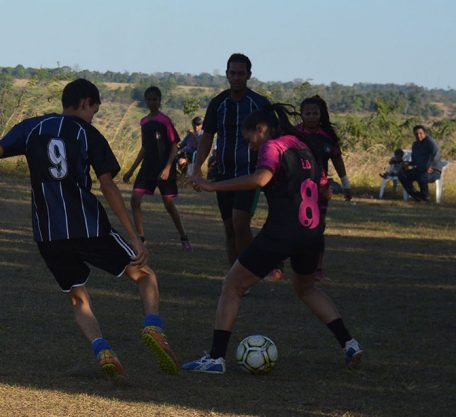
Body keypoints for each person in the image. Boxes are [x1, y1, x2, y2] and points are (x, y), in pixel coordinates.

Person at [0, 79, 179, 378]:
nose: (93, 117)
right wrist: (134, 237)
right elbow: (108, 186)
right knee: (144, 274)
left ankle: (102, 350)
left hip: (48, 235)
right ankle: (153, 327)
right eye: (94, 111)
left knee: (77, 297)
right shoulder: (87, 133)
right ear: (85, 103)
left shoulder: (32, 127)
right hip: (88, 227)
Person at [182, 104, 363, 374]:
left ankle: (215, 359)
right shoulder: (303, 146)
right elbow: (325, 191)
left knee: (232, 285)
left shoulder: (273, 146)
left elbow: (260, 179)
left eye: (250, 140)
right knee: (306, 288)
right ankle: (349, 343)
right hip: (312, 232)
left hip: (283, 232)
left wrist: (212, 185)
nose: (251, 147)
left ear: (261, 129)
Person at [192, 53, 271, 268]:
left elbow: (273, 138)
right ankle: (234, 275)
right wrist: (197, 168)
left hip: (250, 174)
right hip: (223, 174)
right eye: (233, 73)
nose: (236, 77)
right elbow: (207, 137)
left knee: (240, 223)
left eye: (241, 73)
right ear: (227, 74)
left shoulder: (260, 103)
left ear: (249, 75)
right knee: (229, 228)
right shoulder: (218, 103)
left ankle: (248, 271)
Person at [122, 86, 192, 251]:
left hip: (163, 166)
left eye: (155, 99)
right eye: (149, 99)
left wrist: (167, 168)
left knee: (168, 204)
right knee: (135, 200)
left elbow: (174, 146)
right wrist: (131, 170)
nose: (152, 102)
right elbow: (144, 148)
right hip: (148, 166)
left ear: (160, 101)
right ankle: (141, 238)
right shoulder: (144, 122)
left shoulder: (165, 121)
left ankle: (183, 236)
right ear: (145, 101)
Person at [299, 95, 352, 280]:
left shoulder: (327, 137)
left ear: (321, 114)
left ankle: (317, 268)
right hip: (296, 188)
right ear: (301, 114)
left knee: (318, 228)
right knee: (291, 227)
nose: (311, 117)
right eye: (307, 113)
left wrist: (346, 185)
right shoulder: (293, 134)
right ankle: (279, 265)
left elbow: (337, 160)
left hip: (320, 189)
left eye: (315, 113)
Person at [398, 125, 442, 202]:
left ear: (425, 133)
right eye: (416, 134)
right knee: (402, 175)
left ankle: (425, 196)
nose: (418, 135)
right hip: (420, 170)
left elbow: (436, 154)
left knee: (422, 176)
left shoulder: (430, 142)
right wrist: (407, 164)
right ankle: (417, 196)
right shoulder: (415, 145)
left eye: (420, 133)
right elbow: (414, 161)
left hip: (433, 171)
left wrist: (431, 166)